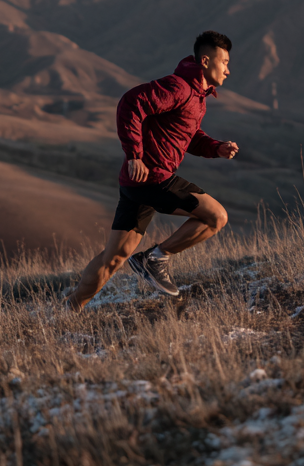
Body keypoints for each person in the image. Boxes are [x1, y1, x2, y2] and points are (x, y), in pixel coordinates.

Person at [66, 30, 239, 308]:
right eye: (225, 62)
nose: (228, 70)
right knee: (216, 217)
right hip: (153, 179)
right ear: (206, 61)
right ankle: (155, 259)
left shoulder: (197, 95)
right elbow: (131, 103)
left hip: (136, 185)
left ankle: (70, 307)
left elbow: (187, 135)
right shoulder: (179, 87)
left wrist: (215, 148)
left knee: (114, 257)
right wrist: (134, 154)